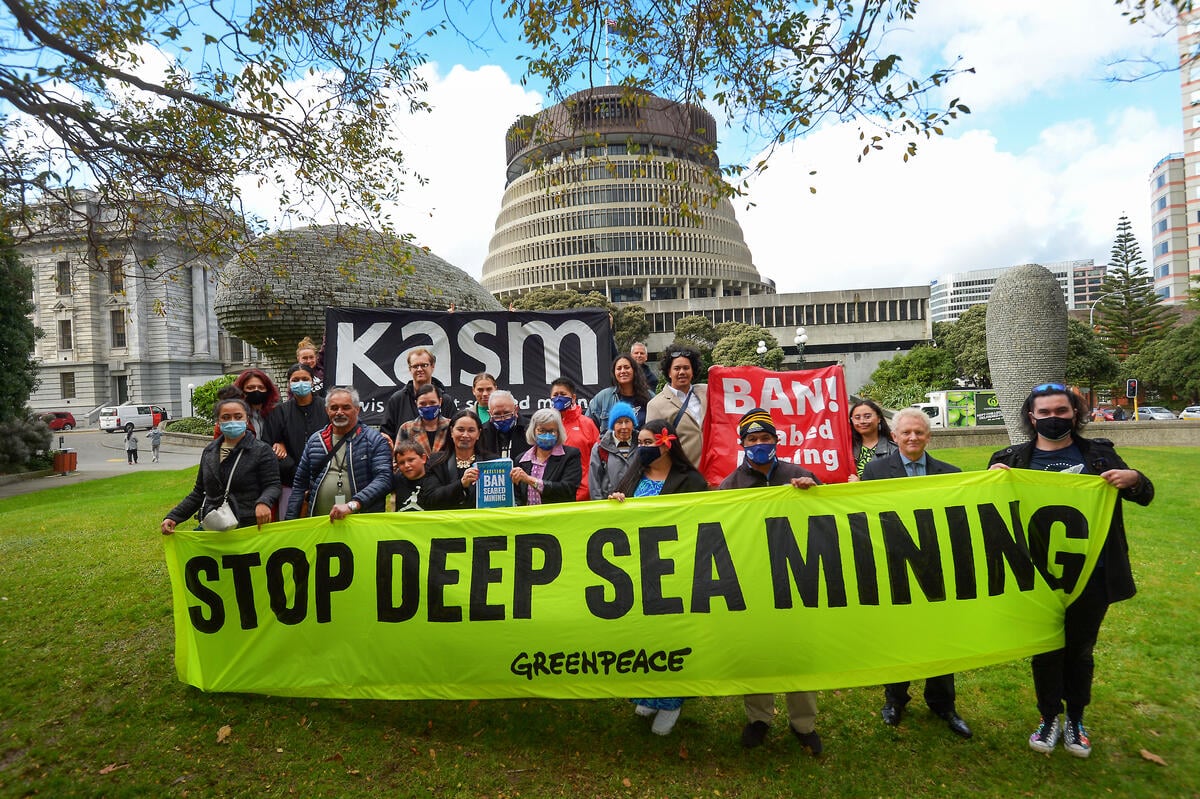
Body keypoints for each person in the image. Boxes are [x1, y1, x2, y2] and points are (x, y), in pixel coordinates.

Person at [989, 382, 1153, 758]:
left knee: (1080, 649)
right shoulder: (1011, 460)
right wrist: (991, 484)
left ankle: (1076, 718)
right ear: (1031, 417)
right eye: (1043, 412)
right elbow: (991, 518)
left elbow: (1144, 495)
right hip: (1035, 576)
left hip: (1091, 573)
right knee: (1045, 649)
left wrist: (1135, 478)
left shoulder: (1099, 455)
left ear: (1075, 413)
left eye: (1060, 411)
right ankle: (1049, 717)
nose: (1052, 418)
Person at [861, 407, 973, 740]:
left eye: (919, 433)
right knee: (899, 636)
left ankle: (943, 704)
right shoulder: (876, 472)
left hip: (937, 569)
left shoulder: (949, 473)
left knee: (941, 637)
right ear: (893, 436)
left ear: (929, 436)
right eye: (906, 433)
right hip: (894, 567)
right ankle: (895, 700)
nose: (912, 438)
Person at [717, 408, 824, 755]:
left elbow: (827, 517)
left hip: (797, 578)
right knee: (758, 649)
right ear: (742, 444)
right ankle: (759, 718)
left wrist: (814, 491)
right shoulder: (729, 485)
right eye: (753, 439)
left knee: (799, 651)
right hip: (753, 579)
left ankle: (803, 723)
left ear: (776, 442)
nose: (760, 444)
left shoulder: (800, 475)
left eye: (766, 439)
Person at [609, 418, 707, 735]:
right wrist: (616, 504)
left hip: (674, 568)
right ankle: (648, 693)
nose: (643, 447)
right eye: (641, 442)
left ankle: (672, 700)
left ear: (668, 443)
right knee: (643, 633)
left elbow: (698, 521)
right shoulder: (634, 475)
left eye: (649, 442)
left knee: (671, 635)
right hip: (637, 566)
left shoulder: (690, 479)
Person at [161, 397, 281, 534]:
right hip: (214, 524)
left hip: (247, 525)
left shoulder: (261, 450)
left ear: (246, 419)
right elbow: (199, 492)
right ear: (218, 422)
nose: (232, 421)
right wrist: (174, 517)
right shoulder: (209, 451)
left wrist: (264, 502)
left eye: (238, 416)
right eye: (226, 417)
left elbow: (273, 485)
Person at [285, 386, 393, 520]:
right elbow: (299, 485)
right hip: (319, 523)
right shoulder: (315, 441)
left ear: (357, 409)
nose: (339, 412)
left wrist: (354, 505)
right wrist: (289, 522)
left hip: (362, 523)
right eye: (334, 408)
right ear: (327, 410)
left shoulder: (374, 440)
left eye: (346, 407)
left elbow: (384, 479)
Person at [263, 363, 327, 513]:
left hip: (324, 480)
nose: (300, 383)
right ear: (289, 384)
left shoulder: (326, 408)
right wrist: (295, 471)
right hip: (289, 484)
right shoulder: (279, 413)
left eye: (305, 379)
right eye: (295, 380)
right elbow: (268, 446)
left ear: (312, 381)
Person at [379, 348, 458, 444]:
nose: (420, 369)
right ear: (409, 369)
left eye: (424, 365)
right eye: (415, 366)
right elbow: (386, 435)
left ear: (432, 366)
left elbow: (456, 432)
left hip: (442, 457)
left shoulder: (446, 400)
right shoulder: (397, 400)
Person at [646, 347, 707, 468]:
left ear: (693, 370)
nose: (682, 372)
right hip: (682, 475)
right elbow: (653, 446)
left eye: (686, 368)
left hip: (713, 473)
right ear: (669, 372)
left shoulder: (707, 392)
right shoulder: (656, 405)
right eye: (677, 368)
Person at [424, 410, 498, 510]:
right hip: (447, 521)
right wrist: (461, 484)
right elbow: (430, 500)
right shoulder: (436, 462)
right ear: (451, 431)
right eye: (460, 429)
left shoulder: (492, 462)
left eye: (471, 430)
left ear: (478, 434)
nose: (465, 435)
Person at [511, 408, 581, 505]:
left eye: (552, 431)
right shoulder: (521, 459)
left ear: (558, 432)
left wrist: (529, 479)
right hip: (528, 517)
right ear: (533, 431)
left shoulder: (570, 455)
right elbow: (517, 495)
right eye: (542, 430)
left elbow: (567, 489)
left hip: (557, 516)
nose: (547, 435)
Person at [549, 377, 600, 501]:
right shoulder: (547, 425)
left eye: (563, 394)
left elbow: (598, 459)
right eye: (555, 395)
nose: (559, 398)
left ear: (573, 398)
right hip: (553, 494)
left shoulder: (587, 424)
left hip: (584, 495)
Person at [587, 353, 652, 431]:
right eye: (619, 368)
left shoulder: (649, 397)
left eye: (626, 367)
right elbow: (587, 427)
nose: (623, 371)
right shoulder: (603, 397)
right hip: (611, 443)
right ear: (614, 373)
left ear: (634, 370)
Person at [588, 401, 640, 500]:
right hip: (610, 504)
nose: (624, 427)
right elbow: (594, 482)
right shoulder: (600, 448)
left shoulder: (641, 444)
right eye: (619, 422)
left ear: (633, 423)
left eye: (627, 421)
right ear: (613, 425)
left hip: (637, 504)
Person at [396, 383, 452, 458]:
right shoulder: (406, 428)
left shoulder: (452, 426)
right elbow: (398, 459)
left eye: (432, 402)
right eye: (423, 403)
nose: (428, 407)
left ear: (440, 401)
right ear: (416, 403)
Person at [847, 399, 897, 480]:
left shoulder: (894, 450)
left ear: (879, 418)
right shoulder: (847, 448)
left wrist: (861, 484)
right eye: (857, 417)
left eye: (867, 417)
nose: (862, 421)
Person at [392, 440, 448, 512]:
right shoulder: (397, 479)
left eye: (411, 460)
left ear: (423, 458)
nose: (407, 465)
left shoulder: (435, 480)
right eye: (401, 463)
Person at [232, 368, 281, 438]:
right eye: (250, 388)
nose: (256, 390)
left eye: (261, 388)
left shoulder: (275, 414)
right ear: (241, 391)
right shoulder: (233, 416)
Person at [480, 390, 527, 461]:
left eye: (507, 413)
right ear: (490, 414)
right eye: (497, 414)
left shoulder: (529, 430)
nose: (503, 419)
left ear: (516, 410)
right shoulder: (482, 433)